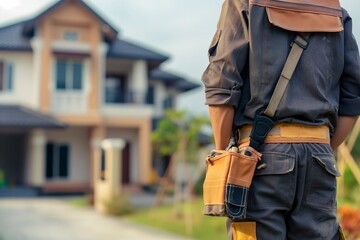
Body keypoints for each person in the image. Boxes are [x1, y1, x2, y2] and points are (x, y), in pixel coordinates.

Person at [201, 0, 360, 239]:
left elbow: (222, 85)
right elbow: (353, 98)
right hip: (320, 159)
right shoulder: (336, 12)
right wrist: (323, 150)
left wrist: (225, 155)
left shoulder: (243, 3)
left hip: (258, 158)